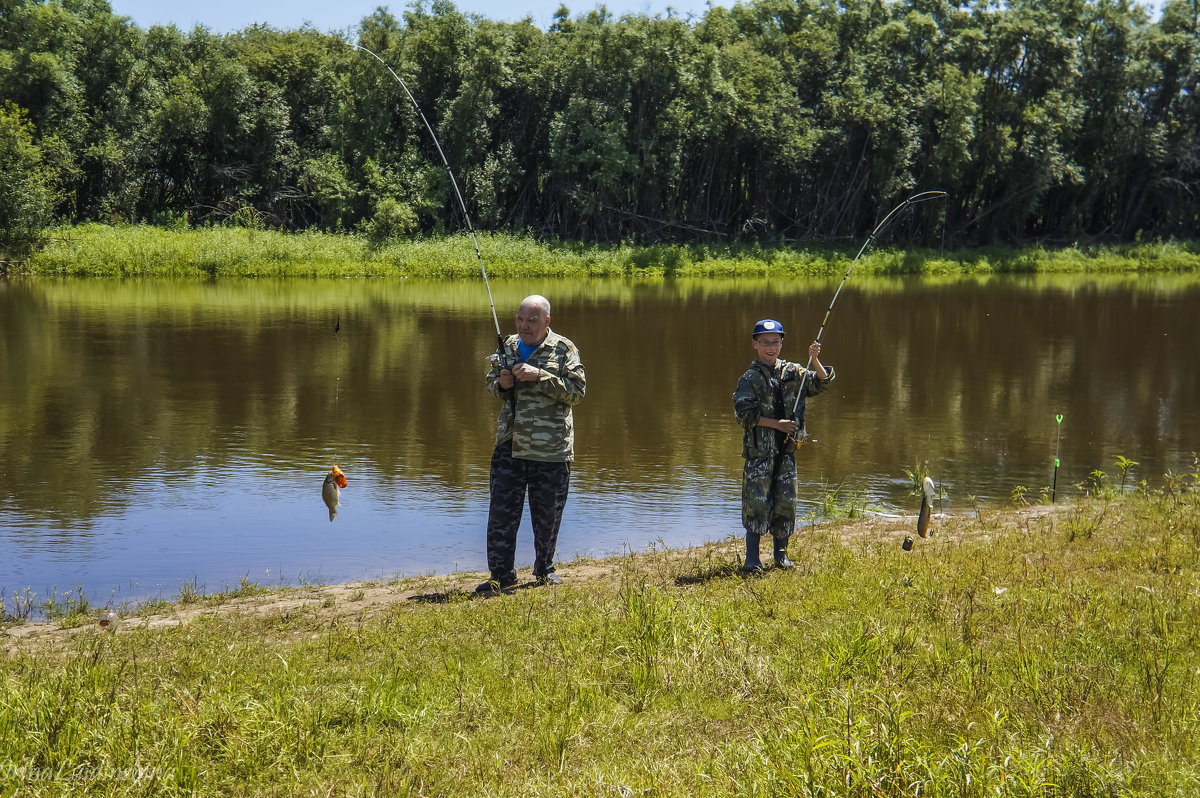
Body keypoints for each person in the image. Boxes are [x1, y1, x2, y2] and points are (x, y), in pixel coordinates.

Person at [477, 295, 586, 593]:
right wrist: (501, 383)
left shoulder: (564, 349)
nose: (524, 326)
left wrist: (541, 376)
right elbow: (490, 384)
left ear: (546, 321)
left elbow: (577, 392)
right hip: (509, 445)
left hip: (551, 449)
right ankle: (501, 577)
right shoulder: (508, 346)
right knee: (501, 515)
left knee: (547, 516)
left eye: (532, 321)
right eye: (520, 320)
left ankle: (544, 571)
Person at [733, 318, 835, 571]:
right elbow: (743, 414)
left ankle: (781, 556)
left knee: (785, 504)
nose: (771, 347)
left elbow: (821, 383)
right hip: (760, 456)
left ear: (781, 343)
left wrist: (815, 360)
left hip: (787, 453)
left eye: (776, 342)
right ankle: (752, 559)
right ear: (755, 343)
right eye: (765, 342)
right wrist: (777, 424)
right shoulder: (750, 378)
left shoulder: (793, 371)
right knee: (756, 505)